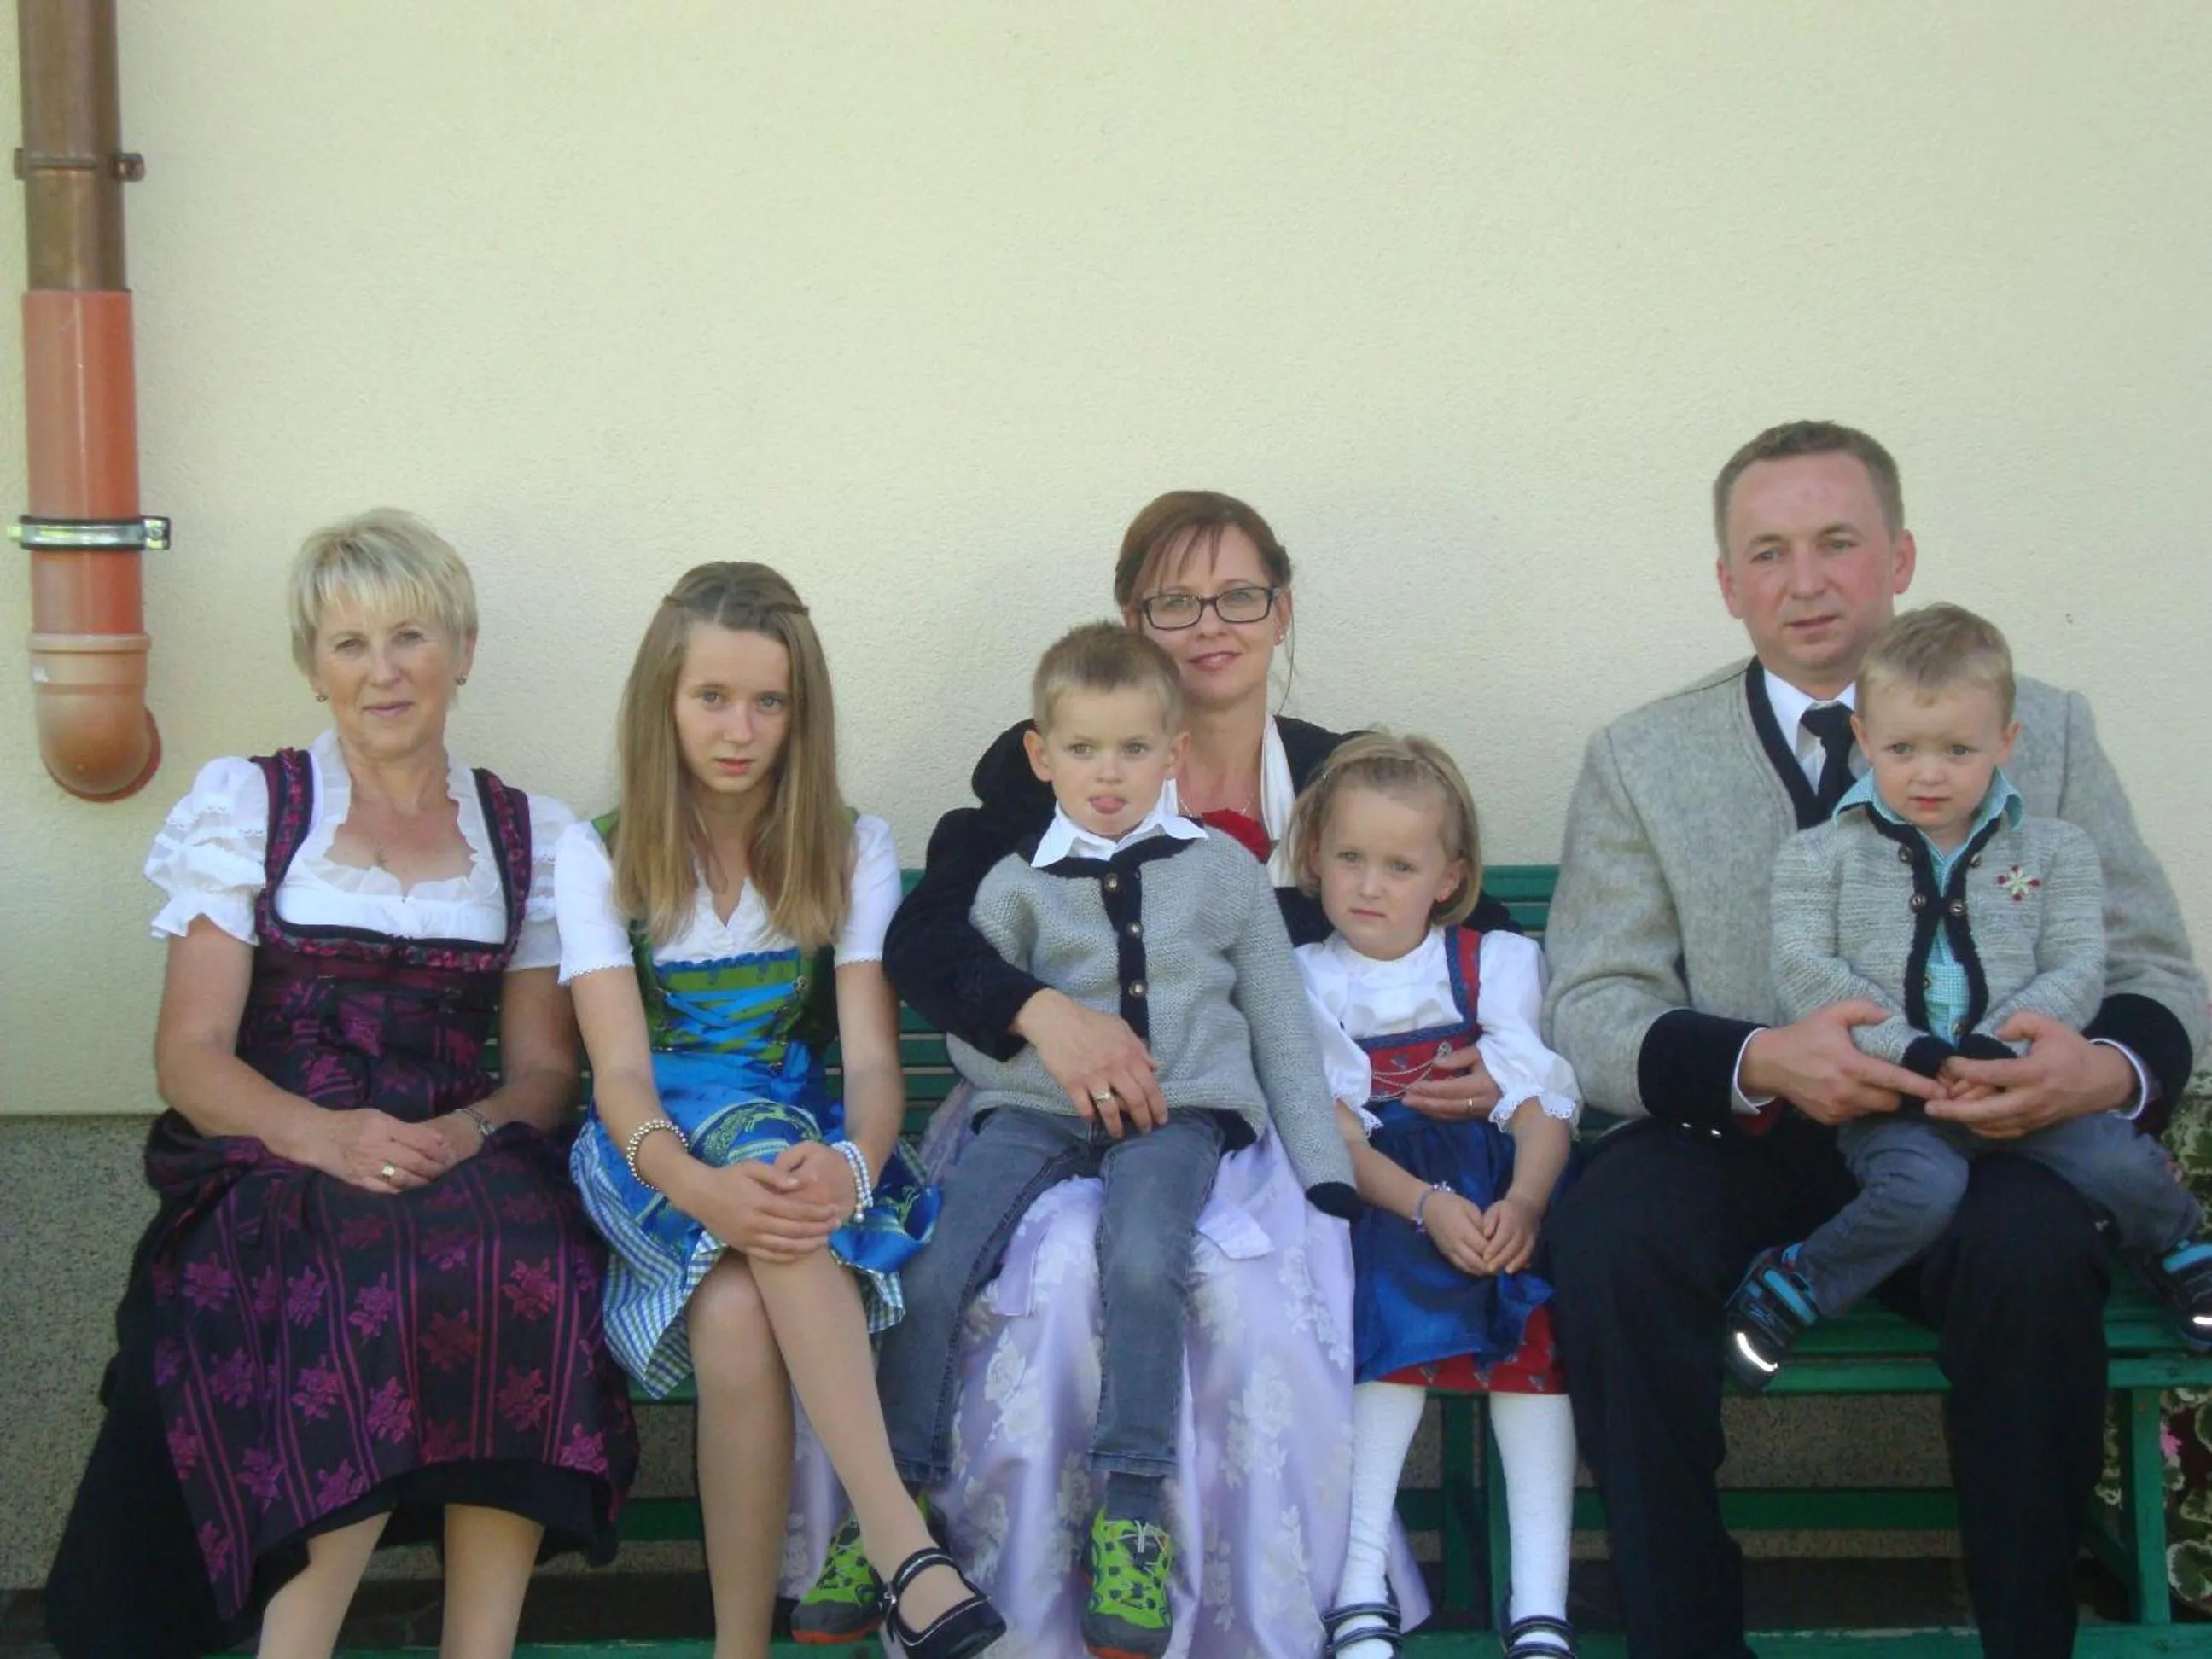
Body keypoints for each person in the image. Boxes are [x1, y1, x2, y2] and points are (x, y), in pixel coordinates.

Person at [1541, 421, 2208, 1659]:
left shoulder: (2041, 732)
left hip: (1988, 1139)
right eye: (1771, 552)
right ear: (1727, 582)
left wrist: (2100, 1071)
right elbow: (1593, 1002)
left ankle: (2027, 1638)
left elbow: (2156, 963)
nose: (1807, 580)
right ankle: (1685, 1637)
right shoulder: (1641, 756)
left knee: (2036, 1252)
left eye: (1839, 543)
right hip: (1751, 1133)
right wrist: (1760, 1059)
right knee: (1610, 1236)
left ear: (1898, 557)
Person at [870, 491, 1518, 1656]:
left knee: (1252, 1290)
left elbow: (1467, 918)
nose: (1209, 623)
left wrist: (1484, 1048)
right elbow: (929, 939)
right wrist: (1040, 1016)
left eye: (1239, 594)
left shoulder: (1340, 774)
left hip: (1259, 1115)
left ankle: (1260, 1607)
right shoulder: (1045, 779)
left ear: (1280, 607)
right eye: (1175, 598)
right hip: (1052, 1102)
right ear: (1133, 617)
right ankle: (1023, 1596)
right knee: (1060, 1266)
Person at [45, 510, 639, 1659]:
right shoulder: (251, 808)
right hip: (271, 1155)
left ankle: (481, 1647)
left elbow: (541, 1073)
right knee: (354, 1262)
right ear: (313, 667)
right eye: (349, 643)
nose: (383, 671)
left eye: (411, 637)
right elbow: (193, 1057)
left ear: (461, 652)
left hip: (456, 1148)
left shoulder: (528, 835)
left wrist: (468, 1132)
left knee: (538, 1258)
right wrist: (325, 1137)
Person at [817, 622, 1353, 1659]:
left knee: (1148, 1258)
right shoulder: (1015, 879)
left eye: (1134, 751)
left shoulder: (1225, 872)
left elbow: (1282, 1022)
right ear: (1041, 754)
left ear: (1174, 756)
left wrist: (1324, 1173)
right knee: (933, 1271)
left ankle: (1133, 1515)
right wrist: (1017, 1069)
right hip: (1033, 1110)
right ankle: (889, 1512)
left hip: (1177, 1109)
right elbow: (952, 989)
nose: (1109, 776)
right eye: (1084, 750)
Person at [556, 563, 1002, 1659]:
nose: (740, 729)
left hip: (803, 1151)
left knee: (740, 1317)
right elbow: (618, 1077)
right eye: (712, 697)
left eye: (769, 701)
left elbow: (871, 1063)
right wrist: (703, 1185)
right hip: (656, 1155)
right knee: (761, 1168)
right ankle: (903, 1543)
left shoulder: (849, 846)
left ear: (802, 712)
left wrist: (851, 1172)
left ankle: (738, 1646)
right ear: (663, 700)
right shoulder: (598, 853)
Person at [1729, 603, 2212, 1387]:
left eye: (1959, 748)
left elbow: (2079, 964)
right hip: (1896, 1098)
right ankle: (1797, 1281)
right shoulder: (1819, 858)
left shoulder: (2057, 851)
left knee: (2121, 1166)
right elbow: (1808, 972)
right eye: (1903, 748)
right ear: (1862, 740)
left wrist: (2000, 1051)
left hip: (2023, 1086)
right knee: (1920, 1194)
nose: (1929, 772)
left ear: (2005, 742)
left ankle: (2181, 1247)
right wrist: (1912, 1050)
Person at [1288, 734, 1580, 1659]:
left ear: (1449, 878)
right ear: (1313, 861)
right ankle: (1359, 1584)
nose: (1370, 885)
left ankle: (1540, 1604)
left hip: (1501, 1195)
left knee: (1539, 1346)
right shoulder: (1309, 978)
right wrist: (1423, 1205)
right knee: (1388, 1314)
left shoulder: (1492, 963)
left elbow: (1542, 1107)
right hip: (1385, 1200)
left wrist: (1526, 1205)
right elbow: (1333, 1132)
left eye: (1400, 865)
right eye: (1350, 859)